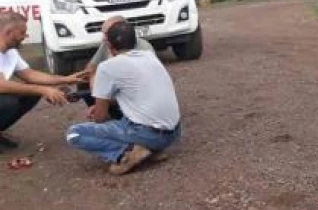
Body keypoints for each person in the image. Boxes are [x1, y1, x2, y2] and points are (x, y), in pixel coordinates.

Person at [65, 21, 182, 175]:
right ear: (135, 41)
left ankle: (126, 153)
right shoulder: (149, 56)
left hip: (149, 134)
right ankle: (152, 149)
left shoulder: (107, 68)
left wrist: (99, 107)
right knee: (125, 120)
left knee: (74, 134)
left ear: (110, 47)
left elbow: (100, 117)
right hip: (174, 132)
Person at [0, 11, 86, 151]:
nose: (25, 36)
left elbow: (30, 74)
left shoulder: (11, 52)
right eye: (22, 32)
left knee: (31, 93)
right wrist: (43, 89)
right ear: (9, 32)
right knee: (8, 103)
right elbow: (1, 85)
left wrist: (67, 79)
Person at [79, 15, 155, 120]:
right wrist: (94, 82)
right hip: (115, 90)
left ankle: (111, 117)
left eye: (106, 33)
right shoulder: (107, 44)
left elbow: (138, 89)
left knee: (77, 132)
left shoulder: (144, 50)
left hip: (134, 98)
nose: (103, 38)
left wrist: (101, 98)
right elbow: (91, 67)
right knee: (83, 81)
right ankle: (108, 115)